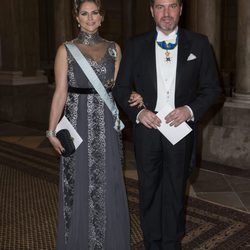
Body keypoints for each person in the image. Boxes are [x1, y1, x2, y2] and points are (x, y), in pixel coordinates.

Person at [113, 0, 221, 249]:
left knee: (175, 192)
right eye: (160, 7)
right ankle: (152, 243)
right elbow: (120, 89)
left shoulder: (199, 43)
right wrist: (139, 113)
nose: (166, 13)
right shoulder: (135, 45)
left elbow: (212, 88)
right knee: (148, 191)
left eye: (172, 6)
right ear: (151, 11)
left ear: (181, 9)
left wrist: (189, 110)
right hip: (147, 131)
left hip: (180, 133)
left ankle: (172, 243)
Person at [46, 0, 143, 249]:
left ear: (102, 18)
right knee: (77, 183)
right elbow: (60, 93)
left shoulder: (114, 49)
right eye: (84, 13)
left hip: (107, 126)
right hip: (76, 125)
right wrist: (51, 130)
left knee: (108, 182)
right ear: (76, 18)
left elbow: (120, 91)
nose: (90, 18)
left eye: (95, 13)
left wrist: (137, 97)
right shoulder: (65, 50)